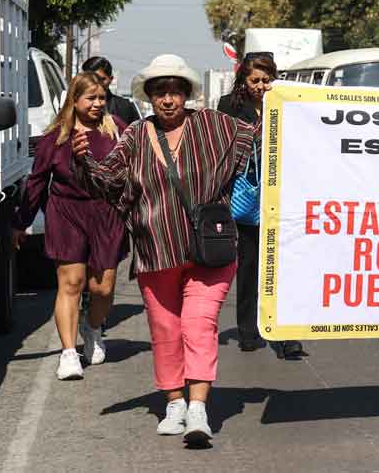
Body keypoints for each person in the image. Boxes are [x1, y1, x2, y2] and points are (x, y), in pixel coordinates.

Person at [73, 54, 255, 447]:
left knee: (198, 323)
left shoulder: (215, 126)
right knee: (166, 329)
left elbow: (260, 136)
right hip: (156, 250)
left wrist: (288, 104)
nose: (168, 99)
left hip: (211, 250)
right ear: (150, 97)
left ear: (187, 94)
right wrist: (83, 158)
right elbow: (109, 180)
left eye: (175, 91)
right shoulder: (136, 136)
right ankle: (174, 402)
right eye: (160, 92)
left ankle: (199, 409)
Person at [13, 72, 126, 381]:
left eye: (102, 98)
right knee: (71, 283)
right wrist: (22, 222)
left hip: (106, 214)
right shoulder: (56, 137)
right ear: (74, 100)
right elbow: (37, 181)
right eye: (91, 98)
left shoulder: (117, 131)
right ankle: (68, 353)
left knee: (101, 288)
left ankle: (92, 328)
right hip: (67, 213)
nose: (97, 103)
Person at [216, 52, 308, 360]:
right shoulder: (229, 106)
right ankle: (248, 331)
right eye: (254, 80)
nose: (260, 86)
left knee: (286, 266)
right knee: (251, 265)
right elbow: (224, 148)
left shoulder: (285, 101)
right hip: (247, 196)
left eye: (266, 80)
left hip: (283, 194)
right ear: (243, 79)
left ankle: (288, 335)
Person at [82, 56, 142, 125]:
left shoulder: (125, 107)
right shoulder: (75, 105)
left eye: (101, 79)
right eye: (91, 79)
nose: (97, 83)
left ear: (111, 79)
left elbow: (138, 133)